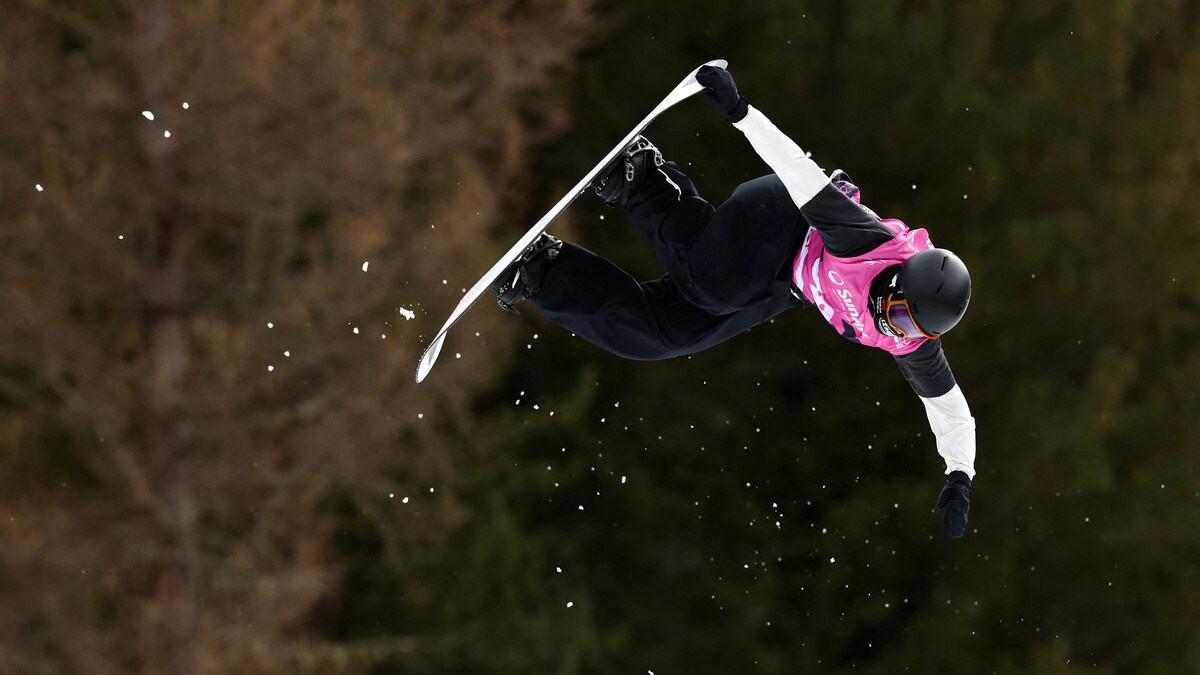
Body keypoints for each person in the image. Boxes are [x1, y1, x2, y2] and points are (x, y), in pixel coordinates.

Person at [489, 65, 976, 538]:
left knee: (665, 335)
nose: (896, 332)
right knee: (714, 285)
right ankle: (639, 179)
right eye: (896, 316)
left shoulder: (913, 344)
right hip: (785, 215)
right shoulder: (863, 240)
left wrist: (960, 475)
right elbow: (798, 172)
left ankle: (544, 272)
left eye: (910, 332)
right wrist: (742, 112)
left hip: (787, 284)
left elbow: (951, 409)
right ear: (896, 284)